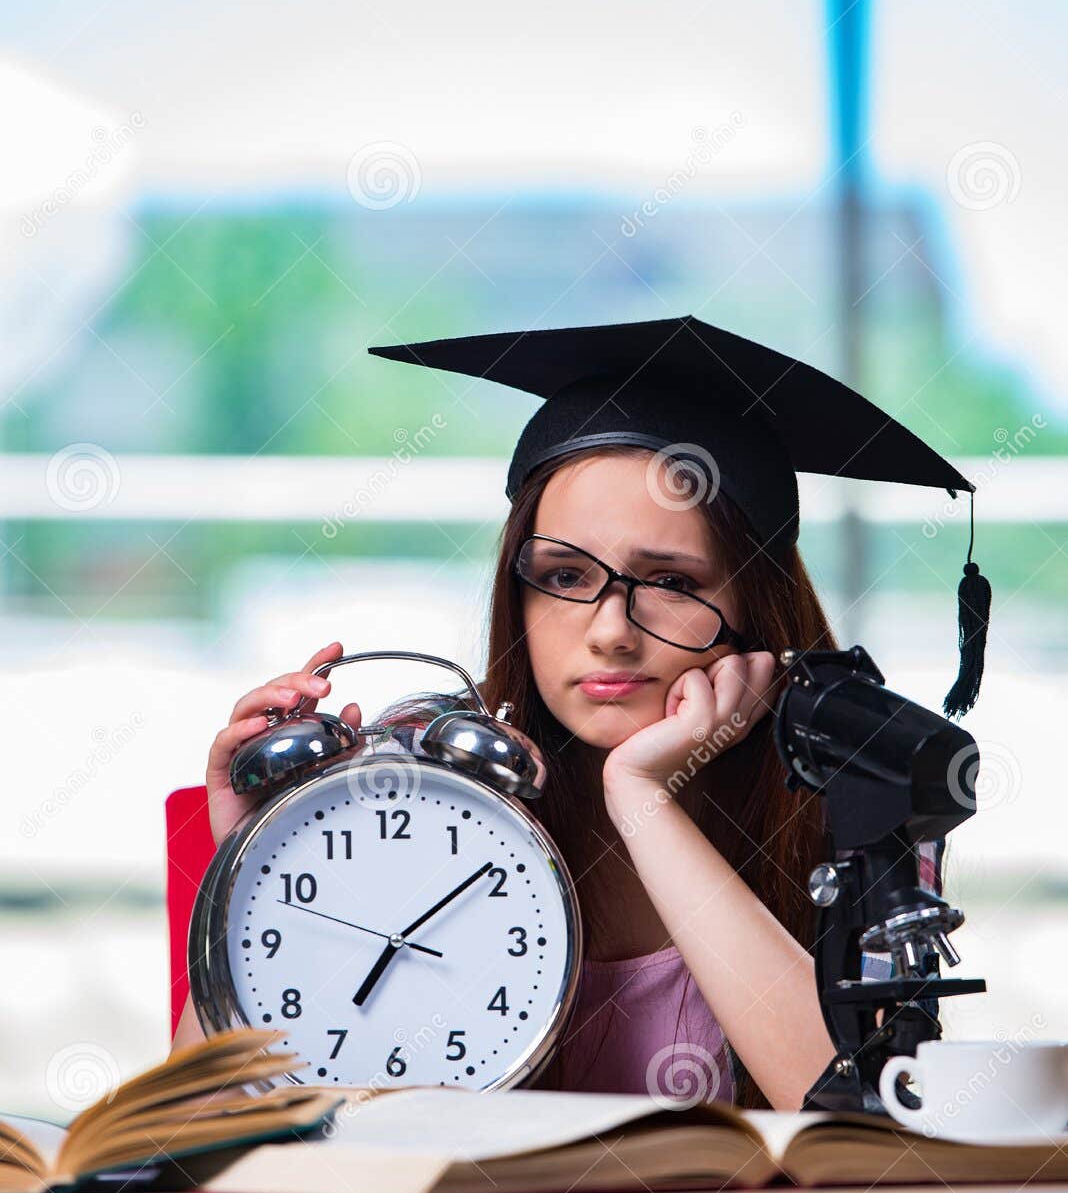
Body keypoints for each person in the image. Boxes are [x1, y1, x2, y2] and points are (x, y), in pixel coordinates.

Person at [171, 316, 987, 1111]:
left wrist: (643, 799)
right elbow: (183, 1151)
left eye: (670, 582)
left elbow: (867, 1126)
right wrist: (250, 875)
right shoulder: (417, 796)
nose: (608, 633)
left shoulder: (858, 813)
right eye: (563, 577)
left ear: (757, 607)